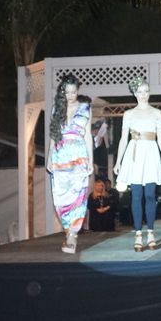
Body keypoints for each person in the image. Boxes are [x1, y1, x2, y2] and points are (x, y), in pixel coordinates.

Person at [113, 76, 161, 251]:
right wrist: (118, 161)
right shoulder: (129, 114)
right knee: (136, 196)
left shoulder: (157, 113)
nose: (143, 95)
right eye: (140, 92)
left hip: (151, 154)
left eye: (146, 91)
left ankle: (151, 233)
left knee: (150, 195)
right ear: (134, 93)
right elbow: (123, 139)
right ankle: (138, 234)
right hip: (134, 154)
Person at [47, 74, 93, 254]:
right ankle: (69, 231)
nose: (71, 95)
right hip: (60, 156)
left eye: (73, 92)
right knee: (61, 197)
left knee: (78, 195)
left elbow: (87, 136)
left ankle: (72, 235)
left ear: (77, 90)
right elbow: (53, 135)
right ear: (62, 92)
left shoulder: (85, 107)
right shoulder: (56, 109)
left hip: (79, 155)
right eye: (67, 92)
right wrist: (49, 157)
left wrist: (90, 160)